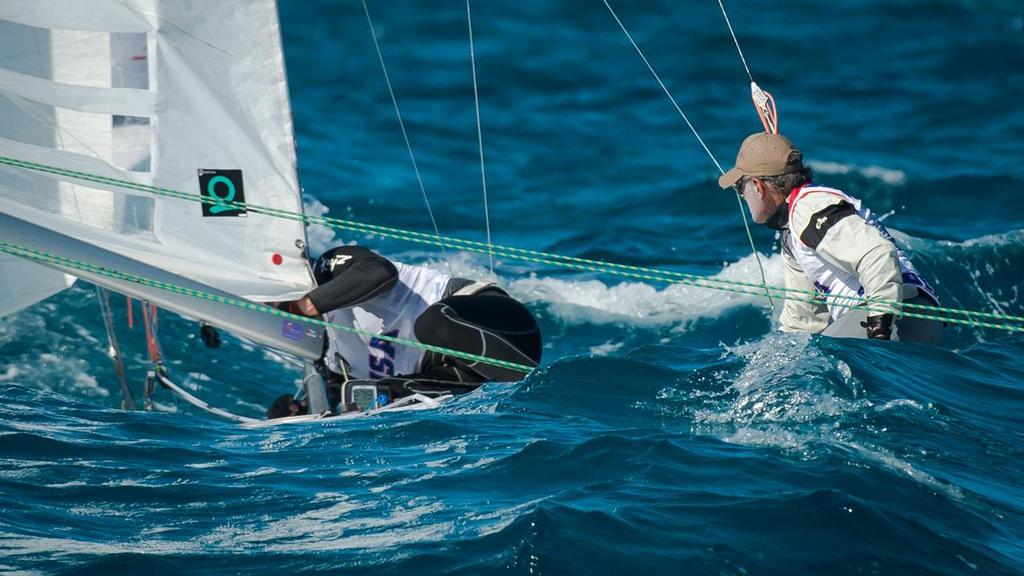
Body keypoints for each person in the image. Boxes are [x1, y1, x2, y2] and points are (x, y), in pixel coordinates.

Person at [267, 245, 542, 418]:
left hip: (500, 327)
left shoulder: (326, 271)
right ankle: (518, 409)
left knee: (431, 324)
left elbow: (379, 272)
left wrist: (304, 305)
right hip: (465, 374)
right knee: (368, 396)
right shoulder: (331, 362)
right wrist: (296, 411)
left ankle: (534, 392)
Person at [718, 132, 943, 342]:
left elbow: (877, 253)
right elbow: (803, 321)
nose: (741, 196)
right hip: (912, 315)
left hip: (894, 314)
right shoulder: (794, 228)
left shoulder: (810, 209)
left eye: (741, 187)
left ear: (758, 186)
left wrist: (880, 324)